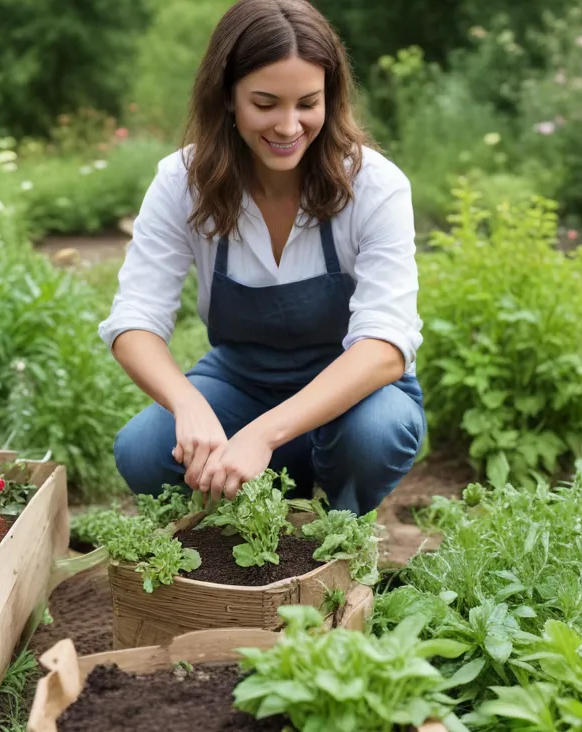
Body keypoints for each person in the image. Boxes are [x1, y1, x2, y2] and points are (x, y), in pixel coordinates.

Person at [100, 0, 425, 516]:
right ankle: (240, 523)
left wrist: (263, 434)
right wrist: (189, 404)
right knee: (143, 450)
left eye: (308, 103)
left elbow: (385, 346)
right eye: (266, 103)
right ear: (228, 96)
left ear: (330, 98)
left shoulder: (374, 185)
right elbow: (134, 322)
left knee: (374, 434)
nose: (289, 125)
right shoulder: (183, 184)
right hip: (241, 383)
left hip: (351, 393)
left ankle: (340, 527)